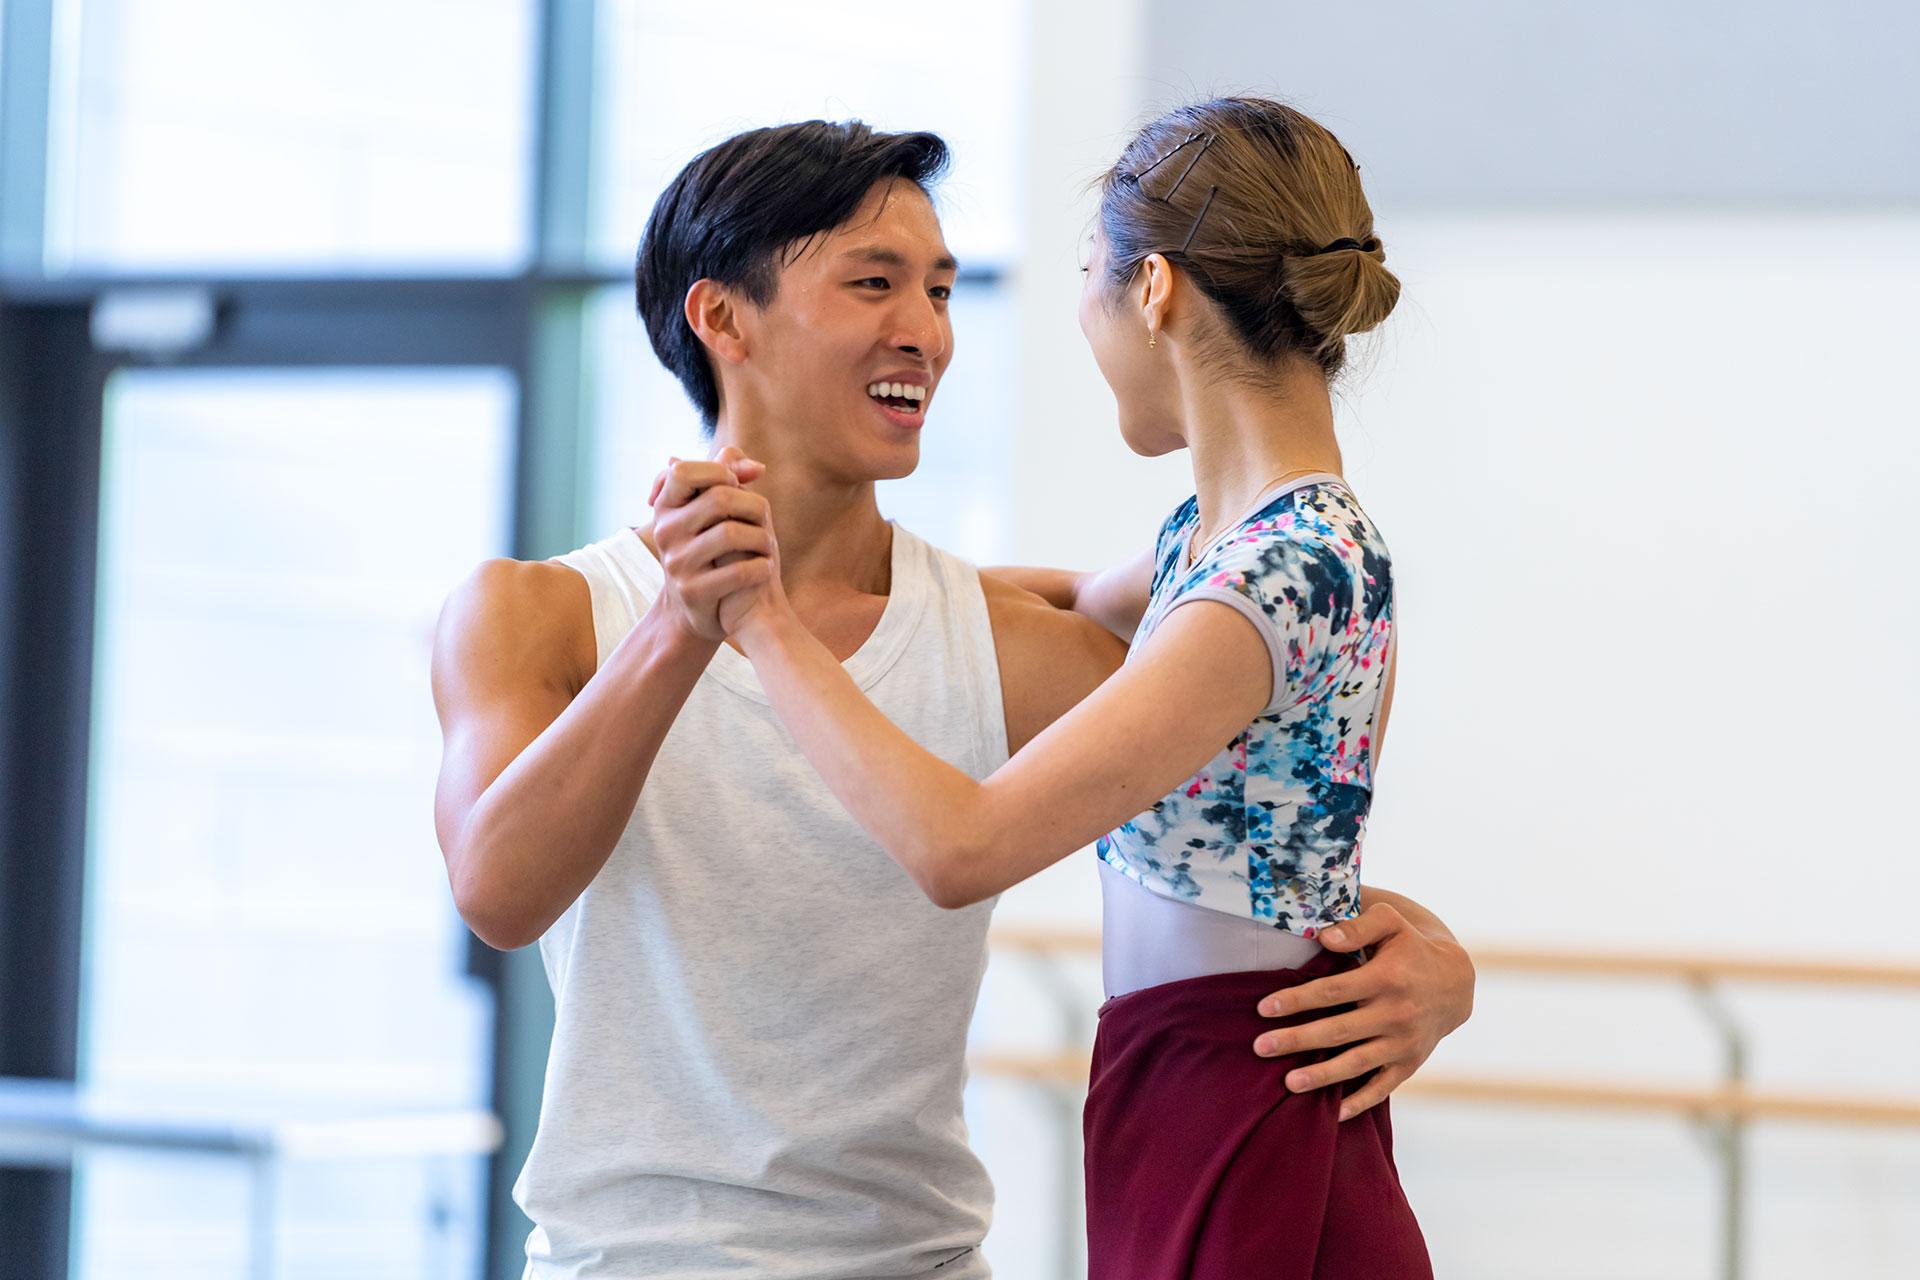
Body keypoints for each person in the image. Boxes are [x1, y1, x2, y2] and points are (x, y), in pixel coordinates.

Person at [432, 116, 1470, 1279]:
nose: (923, 331)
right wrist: (687, 619)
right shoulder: (530, 613)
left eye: (940, 290)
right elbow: (499, 891)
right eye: (874, 282)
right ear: (721, 317)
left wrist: (1423, 955)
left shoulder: (1008, 640)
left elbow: (1240, 805)